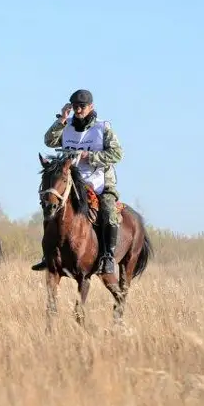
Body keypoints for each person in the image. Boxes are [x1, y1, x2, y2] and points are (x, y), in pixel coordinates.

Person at [31, 89, 124, 275]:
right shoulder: (67, 125)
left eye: (82, 106)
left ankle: (107, 256)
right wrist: (62, 120)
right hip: (72, 180)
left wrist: (88, 156)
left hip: (99, 181)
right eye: (75, 107)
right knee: (51, 203)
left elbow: (117, 154)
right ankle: (48, 254)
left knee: (108, 210)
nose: (78, 110)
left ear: (91, 107)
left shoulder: (102, 128)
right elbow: (49, 141)